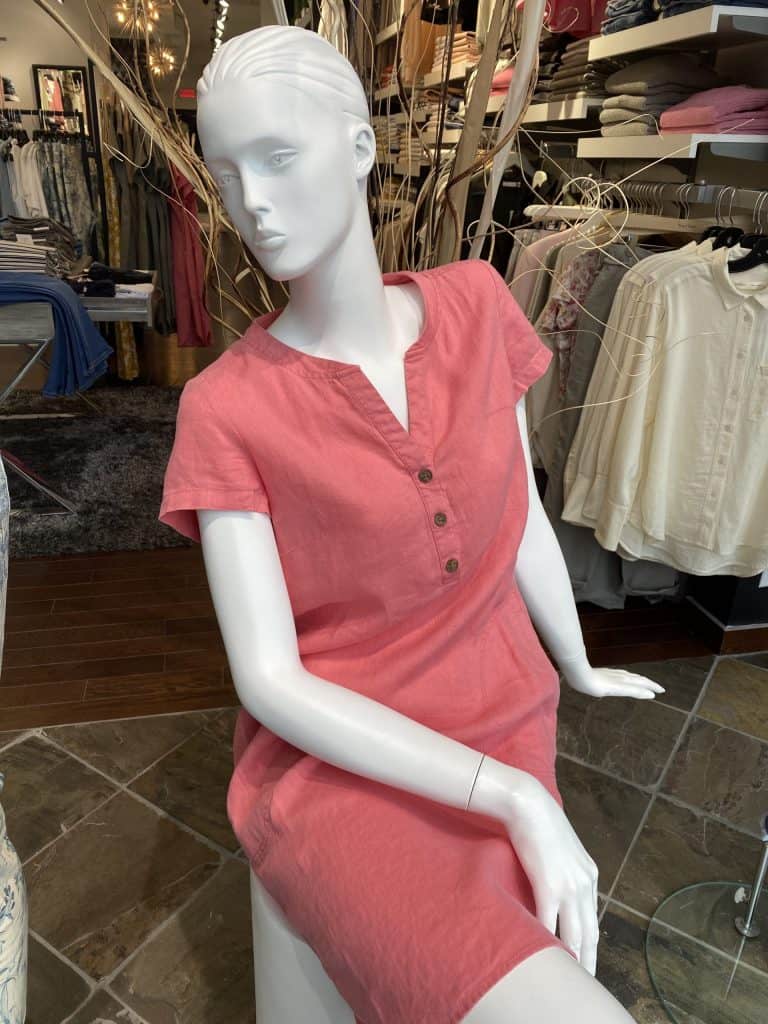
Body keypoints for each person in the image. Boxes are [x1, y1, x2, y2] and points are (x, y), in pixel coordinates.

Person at [159, 25, 660, 1024]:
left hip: (505, 717)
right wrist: (510, 797)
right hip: (341, 770)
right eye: (226, 173)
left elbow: (519, 516)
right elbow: (269, 680)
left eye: (278, 156)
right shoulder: (226, 407)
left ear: (359, 147)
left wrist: (575, 661)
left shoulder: (476, 303)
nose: (251, 202)